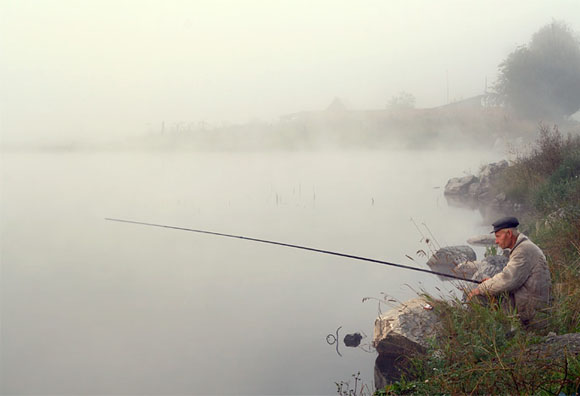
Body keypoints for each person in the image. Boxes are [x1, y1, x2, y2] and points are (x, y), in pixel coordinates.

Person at [467, 216, 551, 325]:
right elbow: (512, 275)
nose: (496, 241)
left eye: (498, 236)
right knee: (491, 291)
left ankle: (490, 333)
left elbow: (509, 280)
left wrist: (481, 288)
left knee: (480, 297)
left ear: (509, 234)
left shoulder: (523, 250)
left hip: (532, 311)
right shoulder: (523, 247)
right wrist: (490, 282)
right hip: (529, 304)